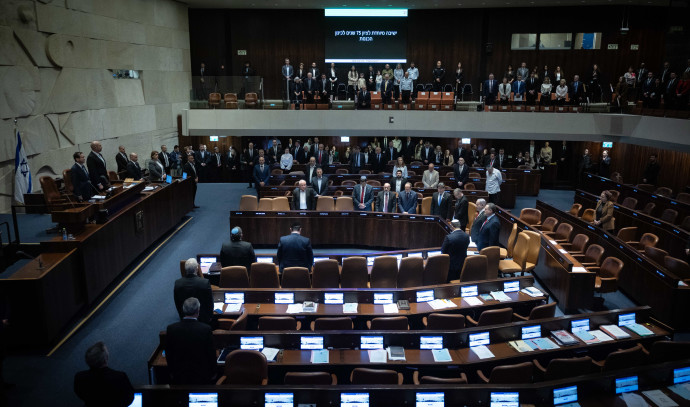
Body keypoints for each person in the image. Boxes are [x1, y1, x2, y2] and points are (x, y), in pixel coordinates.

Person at [166, 297, 217, 385]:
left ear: (183, 310)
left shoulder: (171, 329)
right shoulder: (205, 329)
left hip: (179, 375)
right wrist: (214, 372)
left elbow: (169, 354)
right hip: (202, 375)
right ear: (198, 311)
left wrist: (171, 373)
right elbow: (211, 354)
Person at [73, 341, 134, 407]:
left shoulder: (80, 378)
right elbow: (129, 399)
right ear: (105, 358)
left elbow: (80, 394)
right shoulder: (120, 377)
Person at [174, 258, 213, 325]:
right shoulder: (204, 283)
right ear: (197, 269)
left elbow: (177, 302)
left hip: (185, 317)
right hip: (203, 318)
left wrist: (181, 316)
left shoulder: (178, 283)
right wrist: (209, 316)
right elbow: (209, 302)